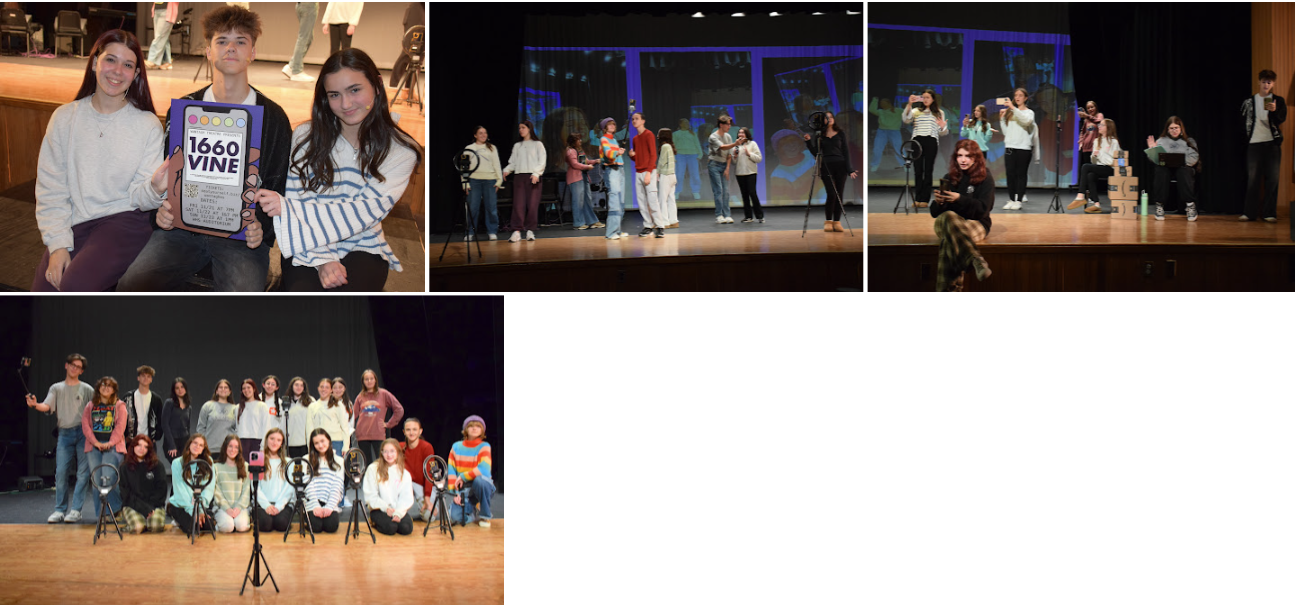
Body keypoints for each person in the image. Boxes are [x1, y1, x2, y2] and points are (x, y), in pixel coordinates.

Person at [117, 5, 292, 292]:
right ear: (208, 51)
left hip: (240, 236)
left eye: (240, 41)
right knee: (130, 286)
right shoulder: (183, 110)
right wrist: (160, 213)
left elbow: (278, 186)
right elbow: (167, 173)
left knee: (245, 309)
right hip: (181, 231)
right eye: (221, 41)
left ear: (253, 52)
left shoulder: (273, 118)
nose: (231, 48)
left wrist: (262, 228)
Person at [256, 48, 421, 292]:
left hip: (363, 242)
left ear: (376, 85)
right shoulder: (305, 137)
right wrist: (324, 259)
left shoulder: (401, 151)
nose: (345, 104)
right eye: (334, 94)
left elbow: (361, 213)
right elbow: (300, 198)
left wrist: (288, 208)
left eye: (355, 90)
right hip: (306, 241)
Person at [33, 30, 167, 292]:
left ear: (136, 74)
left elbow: (142, 199)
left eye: (128, 65)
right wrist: (58, 245)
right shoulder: (64, 118)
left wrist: (155, 188)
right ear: (94, 62)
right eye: (110, 60)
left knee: (73, 286)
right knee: (43, 292)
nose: (117, 71)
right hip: (77, 220)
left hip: (125, 221)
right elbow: (51, 189)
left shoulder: (147, 125)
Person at [25, 354, 95, 523]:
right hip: (64, 433)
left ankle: (76, 510)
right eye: (72, 365)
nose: (74, 368)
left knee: (83, 474)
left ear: (82, 370)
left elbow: (97, 410)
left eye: (78, 366)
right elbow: (47, 405)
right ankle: (59, 509)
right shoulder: (56, 388)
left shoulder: (87, 389)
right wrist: (35, 405)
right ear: (66, 365)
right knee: (61, 472)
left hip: (83, 433)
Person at [930, 140, 995, 292]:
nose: (963, 160)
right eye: (959, 155)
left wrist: (960, 199)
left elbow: (983, 210)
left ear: (975, 158)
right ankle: (975, 259)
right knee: (949, 216)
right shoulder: (950, 177)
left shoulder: (986, 177)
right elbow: (935, 213)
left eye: (967, 156)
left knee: (949, 242)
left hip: (976, 222)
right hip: (947, 222)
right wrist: (939, 203)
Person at [1242, 69, 1286, 222]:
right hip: (1254, 143)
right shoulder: (1250, 101)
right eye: (1264, 81)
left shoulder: (1278, 100)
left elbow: (1281, 119)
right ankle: (1249, 213)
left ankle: (1269, 213)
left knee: (1272, 179)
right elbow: (1243, 121)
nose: (1266, 84)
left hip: (1272, 144)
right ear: (1259, 82)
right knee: (1253, 179)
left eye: (1269, 82)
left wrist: (1273, 112)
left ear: (1273, 83)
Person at [81, 377, 128, 519]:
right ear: (98, 388)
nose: (106, 388)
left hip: (113, 446)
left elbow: (120, 427)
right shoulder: (90, 405)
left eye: (109, 386)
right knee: (96, 479)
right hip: (94, 446)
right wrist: (96, 443)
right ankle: (102, 513)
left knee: (108, 477)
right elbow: (86, 426)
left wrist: (110, 443)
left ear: (114, 390)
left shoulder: (120, 406)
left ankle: (116, 510)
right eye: (103, 385)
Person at [803, 112, 858, 232]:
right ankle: (828, 221)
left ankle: (837, 222)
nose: (830, 119)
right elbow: (816, 153)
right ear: (823, 121)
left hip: (841, 166)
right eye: (827, 118)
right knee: (831, 194)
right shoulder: (819, 135)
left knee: (839, 195)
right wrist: (808, 142)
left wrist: (849, 169)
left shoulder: (841, 133)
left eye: (831, 117)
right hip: (826, 166)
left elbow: (846, 152)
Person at [1146, 116, 1201, 222]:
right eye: (1171, 128)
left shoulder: (1189, 141)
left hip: (1183, 167)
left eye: (1176, 127)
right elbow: (1154, 159)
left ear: (1181, 128)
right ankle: (1159, 206)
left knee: (1184, 171)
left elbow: (1194, 157)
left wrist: (1181, 162)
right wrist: (1152, 149)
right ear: (1167, 129)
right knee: (1160, 170)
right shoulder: (1161, 140)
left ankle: (1190, 206)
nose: (1174, 130)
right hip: (1166, 168)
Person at [901, 89, 948, 209]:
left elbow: (943, 132)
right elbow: (906, 120)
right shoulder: (916, 111)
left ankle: (925, 199)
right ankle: (918, 198)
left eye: (928, 97)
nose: (925, 99)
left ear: (933, 99)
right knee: (918, 170)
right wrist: (910, 104)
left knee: (928, 170)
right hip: (917, 141)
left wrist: (943, 127)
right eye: (923, 97)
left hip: (931, 141)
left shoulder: (939, 112)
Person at [500, 120, 546, 243]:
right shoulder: (517, 146)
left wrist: (536, 173)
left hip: (533, 177)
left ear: (529, 129)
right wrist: (507, 170)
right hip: (519, 176)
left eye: (523, 127)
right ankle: (516, 231)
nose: (521, 130)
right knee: (518, 204)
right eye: (519, 128)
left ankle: (530, 230)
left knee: (532, 205)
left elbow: (542, 161)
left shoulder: (538, 144)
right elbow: (513, 162)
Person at [447, 415, 495, 528]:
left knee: (480, 480)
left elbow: (484, 470)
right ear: (465, 429)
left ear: (482, 430)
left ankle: (485, 515)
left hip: (482, 485)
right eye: (471, 426)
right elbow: (451, 471)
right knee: (456, 517)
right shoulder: (456, 446)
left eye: (478, 426)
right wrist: (455, 493)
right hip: (465, 488)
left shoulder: (484, 446)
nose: (474, 428)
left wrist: (463, 476)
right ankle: (473, 513)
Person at [362, 438, 415, 535]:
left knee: (406, 528)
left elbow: (406, 497)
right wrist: (386, 508)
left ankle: (399, 517)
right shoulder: (373, 469)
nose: (389, 455)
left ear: (398, 452)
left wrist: (399, 513)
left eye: (392, 451)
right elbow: (371, 495)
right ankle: (373, 520)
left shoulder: (404, 473)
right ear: (381, 453)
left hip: (397, 508)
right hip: (379, 509)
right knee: (391, 528)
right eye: (385, 451)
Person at [1068, 120, 1121, 214]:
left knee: (1085, 166)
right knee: (1090, 175)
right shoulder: (1096, 141)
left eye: (1102, 125)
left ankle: (1080, 195)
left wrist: (1100, 154)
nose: (1099, 126)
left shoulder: (1114, 142)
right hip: (1100, 166)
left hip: (1110, 169)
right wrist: (1094, 156)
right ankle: (1096, 204)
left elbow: (1114, 161)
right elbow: (1094, 161)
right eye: (1099, 124)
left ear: (1108, 128)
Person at [167, 434, 216, 537]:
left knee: (208, 526)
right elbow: (180, 491)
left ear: (203, 449)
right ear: (189, 444)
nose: (197, 446)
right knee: (192, 527)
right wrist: (193, 511)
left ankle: (194, 518)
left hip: (199, 504)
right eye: (195, 443)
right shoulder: (177, 463)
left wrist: (201, 510)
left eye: (201, 445)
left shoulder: (209, 462)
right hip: (182, 504)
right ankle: (178, 519)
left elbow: (209, 488)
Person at [118, 435, 168, 534]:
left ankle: (146, 522)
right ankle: (134, 525)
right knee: (137, 528)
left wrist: (150, 508)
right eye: (139, 445)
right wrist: (143, 508)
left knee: (155, 527)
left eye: (146, 447)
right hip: (132, 505)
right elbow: (126, 494)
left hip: (154, 505)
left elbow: (161, 491)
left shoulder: (157, 466)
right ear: (133, 447)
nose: (142, 449)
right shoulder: (124, 467)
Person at [353, 369, 404, 464]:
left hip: (378, 433)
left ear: (375, 380)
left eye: (371, 378)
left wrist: (389, 424)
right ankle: (368, 479)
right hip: (362, 434)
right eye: (366, 379)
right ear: (363, 382)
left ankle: (381, 479)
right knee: (366, 463)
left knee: (381, 462)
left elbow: (399, 409)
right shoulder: (360, 396)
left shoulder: (383, 394)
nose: (369, 381)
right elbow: (352, 415)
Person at [123, 365, 166, 474]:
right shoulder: (128, 397)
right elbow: (122, 417)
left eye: (148, 376)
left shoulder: (156, 399)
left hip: (149, 440)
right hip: (131, 439)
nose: (145, 378)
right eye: (143, 376)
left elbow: (161, 420)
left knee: (150, 469)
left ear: (151, 379)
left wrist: (156, 436)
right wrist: (125, 436)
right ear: (138, 378)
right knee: (130, 469)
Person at [627, 112, 664, 238]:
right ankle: (648, 225)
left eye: (636, 119)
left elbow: (653, 155)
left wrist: (649, 173)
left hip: (649, 172)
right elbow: (638, 158)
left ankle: (659, 226)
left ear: (643, 121)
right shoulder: (635, 139)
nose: (634, 121)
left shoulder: (649, 134)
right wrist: (632, 156)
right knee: (641, 201)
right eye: (633, 119)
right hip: (638, 172)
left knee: (652, 199)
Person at [464, 126, 504, 240]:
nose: (483, 135)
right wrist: (465, 183)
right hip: (474, 181)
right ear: (475, 135)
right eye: (480, 133)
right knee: (473, 207)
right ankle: (470, 232)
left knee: (491, 207)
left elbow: (497, 164)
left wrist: (499, 180)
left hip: (490, 180)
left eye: (485, 133)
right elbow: (464, 167)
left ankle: (492, 231)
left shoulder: (492, 148)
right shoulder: (469, 148)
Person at [997, 88, 1034, 210]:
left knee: (1021, 174)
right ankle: (1012, 199)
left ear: (1025, 98)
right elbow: (1006, 132)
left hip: (1023, 147)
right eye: (1016, 95)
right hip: (1010, 146)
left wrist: (1013, 108)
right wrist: (1002, 119)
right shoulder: (1011, 113)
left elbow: (1026, 122)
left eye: (1020, 95)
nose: (1017, 97)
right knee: (1010, 174)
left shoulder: (1029, 113)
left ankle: (1019, 201)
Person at [305, 428, 345, 533]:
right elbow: (308, 485)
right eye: (316, 443)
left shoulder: (339, 461)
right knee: (316, 527)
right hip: (312, 503)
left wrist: (329, 507)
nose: (320, 445)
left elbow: (337, 486)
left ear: (328, 440)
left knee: (331, 527)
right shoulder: (306, 459)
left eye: (322, 441)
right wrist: (315, 506)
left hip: (330, 503)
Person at [256, 428, 295, 532]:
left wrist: (278, 506)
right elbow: (255, 486)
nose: (274, 442)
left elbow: (289, 488)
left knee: (281, 524)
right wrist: (266, 505)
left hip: (282, 504)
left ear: (282, 443)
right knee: (265, 525)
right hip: (263, 504)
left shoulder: (288, 462)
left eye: (278, 440)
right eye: (272, 438)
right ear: (266, 440)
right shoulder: (258, 460)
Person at [399, 417, 436, 522]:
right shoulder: (399, 447)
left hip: (423, 486)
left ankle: (430, 504)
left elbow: (429, 473)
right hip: (407, 484)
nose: (411, 432)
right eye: (408, 430)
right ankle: (400, 511)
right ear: (404, 432)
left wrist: (427, 498)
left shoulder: (426, 447)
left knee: (429, 517)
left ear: (420, 431)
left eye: (415, 429)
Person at [212, 435, 251, 533]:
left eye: (236, 447)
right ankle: (220, 522)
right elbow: (216, 491)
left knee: (241, 527)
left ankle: (242, 520)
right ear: (225, 447)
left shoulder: (245, 466)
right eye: (230, 446)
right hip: (222, 507)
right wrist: (227, 508)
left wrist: (238, 507)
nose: (233, 449)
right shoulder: (216, 467)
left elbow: (246, 490)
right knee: (227, 527)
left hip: (240, 508)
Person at [598, 117, 628, 239]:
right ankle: (611, 233)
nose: (612, 126)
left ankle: (618, 230)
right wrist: (617, 152)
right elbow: (608, 154)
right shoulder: (604, 139)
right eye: (609, 125)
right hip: (612, 170)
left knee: (620, 201)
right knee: (614, 200)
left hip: (620, 169)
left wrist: (618, 151)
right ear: (605, 128)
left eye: (614, 124)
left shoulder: (614, 140)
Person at [564, 134, 601, 230]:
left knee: (586, 200)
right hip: (575, 178)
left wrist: (595, 161)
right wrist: (587, 167)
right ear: (573, 141)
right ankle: (578, 223)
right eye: (578, 139)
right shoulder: (570, 151)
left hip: (583, 176)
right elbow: (575, 164)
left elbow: (586, 161)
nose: (580, 141)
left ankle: (591, 221)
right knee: (578, 201)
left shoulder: (580, 150)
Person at [707, 115, 740, 224]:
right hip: (714, 165)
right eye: (727, 124)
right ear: (721, 125)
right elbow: (722, 147)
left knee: (726, 191)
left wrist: (727, 168)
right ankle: (719, 215)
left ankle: (727, 215)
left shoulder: (728, 136)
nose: (729, 126)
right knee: (719, 190)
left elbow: (729, 154)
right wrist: (735, 144)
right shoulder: (713, 136)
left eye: (730, 124)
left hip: (724, 164)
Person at [388, 3, 424, 100]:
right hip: (418, 10)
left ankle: (408, 90)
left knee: (420, 55)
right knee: (408, 52)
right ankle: (392, 89)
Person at [195, 379, 238, 457]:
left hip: (228, 450)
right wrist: (203, 444)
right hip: (210, 449)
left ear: (230, 392)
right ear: (216, 391)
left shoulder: (235, 408)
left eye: (226, 388)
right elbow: (200, 428)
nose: (223, 389)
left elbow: (237, 430)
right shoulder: (208, 406)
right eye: (220, 387)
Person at [309, 378, 351, 457]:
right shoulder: (312, 406)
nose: (324, 389)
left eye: (327, 387)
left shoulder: (338, 405)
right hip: (319, 443)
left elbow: (345, 427)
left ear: (331, 390)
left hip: (336, 442)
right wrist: (310, 446)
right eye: (322, 387)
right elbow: (309, 429)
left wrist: (346, 446)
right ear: (318, 388)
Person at [731, 127, 764, 223]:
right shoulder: (736, 146)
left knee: (752, 193)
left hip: (751, 172)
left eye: (743, 133)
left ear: (747, 134)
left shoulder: (752, 144)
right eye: (739, 133)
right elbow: (733, 162)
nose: (741, 134)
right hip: (740, 173)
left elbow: (759, 158)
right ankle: (748, 216)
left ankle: (760, 216)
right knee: (744, 195)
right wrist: (735, 156)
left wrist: (749, 154)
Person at [281, 2, 317, 82]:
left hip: (303, 5)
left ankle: (292, 66)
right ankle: (297, 70)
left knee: (308, 38)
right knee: (304, 37)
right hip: (308, 5)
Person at [235, 378, 268, 462]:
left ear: (253, 389)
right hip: (242, 442)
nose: (246, 390)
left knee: (256, 471)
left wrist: (263, 446)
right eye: (244, 388)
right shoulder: (238, 407)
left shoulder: (262, 406)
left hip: (257, 442)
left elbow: (266, 426)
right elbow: (237, 428)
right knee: (243, 470)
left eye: (248, 387)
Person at [869, 97, 905, 172]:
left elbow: (908, 112)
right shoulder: (880, 111)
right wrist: (875, 100)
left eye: (884, 103)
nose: (882, 104)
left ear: (889, 103)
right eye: (881, 103)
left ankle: (904, 164)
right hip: (882, 131)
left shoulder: (898, 110)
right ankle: (875, 164)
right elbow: (871, 110)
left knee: (898, 148)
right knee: (877, 148)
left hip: (894, 131)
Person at [160, 377, 191, 463]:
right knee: (177, 465)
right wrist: (172, 445)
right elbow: (164, 424)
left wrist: (189, 445)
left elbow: (187, 427)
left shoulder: (189, 407)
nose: (180, 390)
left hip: (184, 441)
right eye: (177, 388)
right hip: (172, 441)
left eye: (182, 387)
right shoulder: (169, 403)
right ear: (174, 390)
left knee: (186, 467)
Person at [281, 377, 314, 459]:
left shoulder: (310, 401)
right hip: (290, 444)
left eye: (301, 386)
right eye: (296, 385)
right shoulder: (285, 402)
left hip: (304, 443)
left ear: (304, 388)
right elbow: (282, 423)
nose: (299, 387)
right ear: (291, 386)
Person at [672, 119, 702, 201]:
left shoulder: (692, 133)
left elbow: (697, 144)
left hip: (693, 155)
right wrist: (673, 157)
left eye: (687, 123)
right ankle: (677, 191)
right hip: (680, 155)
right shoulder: (675, 134)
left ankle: (696, 191)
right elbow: (673, 146)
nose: (687, 124)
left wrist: (700, 154)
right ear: (680, 124)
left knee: (695, 174)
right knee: (679, 174)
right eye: (684, 123)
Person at [145, 3, 178, 70]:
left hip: (167, 11)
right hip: (157, 10)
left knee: (159, 37)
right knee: (163, 38)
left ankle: (152, 60)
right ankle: (166, 62)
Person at [1077, 101, 1104, 167]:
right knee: (1087, 167)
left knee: (1094, 167)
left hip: (1095, 147)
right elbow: (1082, 132)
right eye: (1088, 108)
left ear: (1096, 107)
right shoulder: (1086, 120)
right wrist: (1081, 142)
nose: (1090, 109)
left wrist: (1086, 116)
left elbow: (1098, 121)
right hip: (1086, 147)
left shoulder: (1099, 115)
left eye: (1092, 107)